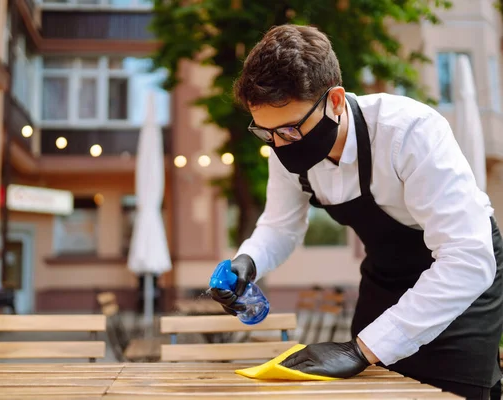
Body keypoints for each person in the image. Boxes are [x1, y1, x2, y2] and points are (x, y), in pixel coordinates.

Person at [209, 24, 503, 400]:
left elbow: (468, 258)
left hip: (461, 278)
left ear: (334, 101)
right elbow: (281, 226)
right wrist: (247, 261)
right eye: (267, 134)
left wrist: (361, 349)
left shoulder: (409, 131)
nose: (280, 145)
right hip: (386, 276)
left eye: (290, 131)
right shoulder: (284, 143)